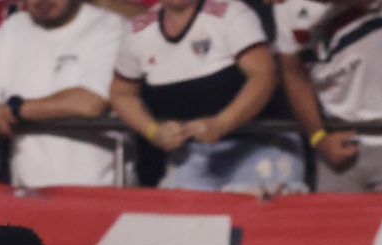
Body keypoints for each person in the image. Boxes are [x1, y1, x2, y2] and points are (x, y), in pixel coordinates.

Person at [111, 0, 302, 193]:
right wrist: (153, 131)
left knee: (258, 216)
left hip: (260, 145)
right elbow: (122, 93)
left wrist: (221, 123)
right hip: (194, 154)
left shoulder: (231, 14)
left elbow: (264, 76)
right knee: (175, 215)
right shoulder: (137, 31)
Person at [274, 0, 382, 193]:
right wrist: (318, 137)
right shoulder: (285, 6)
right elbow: (293, 72)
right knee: (331, 223)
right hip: (339, 145)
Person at [0, 0, 126, 188]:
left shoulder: (112, 26)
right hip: (28, 196)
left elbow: (91, 102)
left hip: (102, 195)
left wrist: (14, 110)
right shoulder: (14, 28)